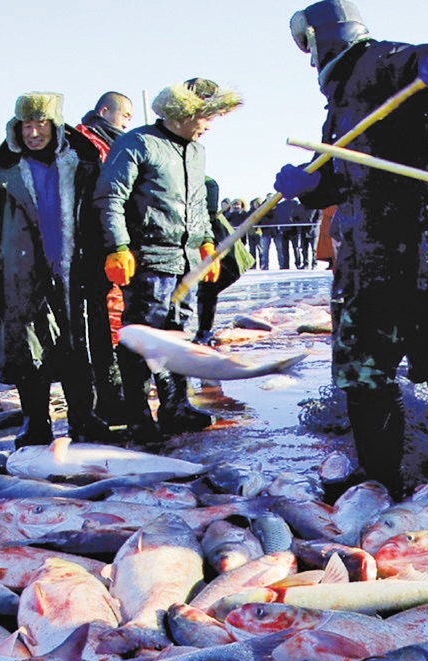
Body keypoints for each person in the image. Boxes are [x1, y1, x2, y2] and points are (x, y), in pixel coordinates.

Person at [273, 4, 428, 492]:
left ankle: (381, 476)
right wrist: (309, 182)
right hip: (400, 248)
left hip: (392, 250)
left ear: (324, 39)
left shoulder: (373, 63)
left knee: (365, 366)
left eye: (311, 49)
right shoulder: (344, 96)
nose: (311, 63)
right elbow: (340, 175)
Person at [98, 79, 244, 443]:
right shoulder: (138, 143)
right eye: (207, 116)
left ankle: (175, 406)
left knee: (181, 338)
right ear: (185, 112)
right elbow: (110, 198)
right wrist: (117, 246)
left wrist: (207, 243)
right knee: (144, 341)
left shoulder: (196, 152)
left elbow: (198, 205)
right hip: (149, 260)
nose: (210, 125)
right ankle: (137, 414)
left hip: (186, 262)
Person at [0, 93, 110, 447]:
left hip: (75, 272)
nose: (34, 133)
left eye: (41, 124)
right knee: (28, 351)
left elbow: (103, 210)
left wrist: (105, 257)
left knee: (78, 346)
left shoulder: (84, 159)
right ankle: (35, 421)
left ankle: (83, 416)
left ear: (55, 125)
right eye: (26, 125)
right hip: (19, 275)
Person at [67, 92, 142, 432]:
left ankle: (115, 394)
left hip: (113, 243)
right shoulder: (85, 143)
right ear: (104, 111)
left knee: (114, 316)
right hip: (92, 245)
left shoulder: (117, 144)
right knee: (101, 320)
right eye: (123, 114)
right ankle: (109, 397)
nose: (127, 121)